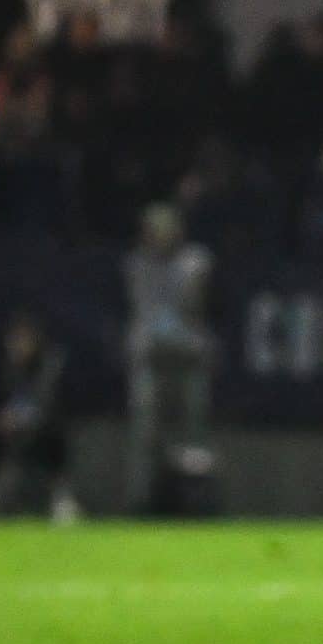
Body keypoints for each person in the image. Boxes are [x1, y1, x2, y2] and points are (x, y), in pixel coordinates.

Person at [123, 200, 215, 512]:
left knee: (194, 431)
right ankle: (141, 501)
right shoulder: (136, 263)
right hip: (150, 357)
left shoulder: (196, 262)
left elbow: (198, 304)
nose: (160, 235)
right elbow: (141, 309)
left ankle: (196, 502)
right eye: (154, 229)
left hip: (188, 357)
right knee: (145, 430)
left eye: (166, 228)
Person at [0, 310, 78, 525]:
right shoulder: (0, 370)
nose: (20, 345)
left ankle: (61, 499)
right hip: (6, 433)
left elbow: (54, 405)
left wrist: (29, 418)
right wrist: (1, 418)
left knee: (55, 438)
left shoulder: (49, 368)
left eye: (25, 339)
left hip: (39, 431)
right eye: (16, 339)